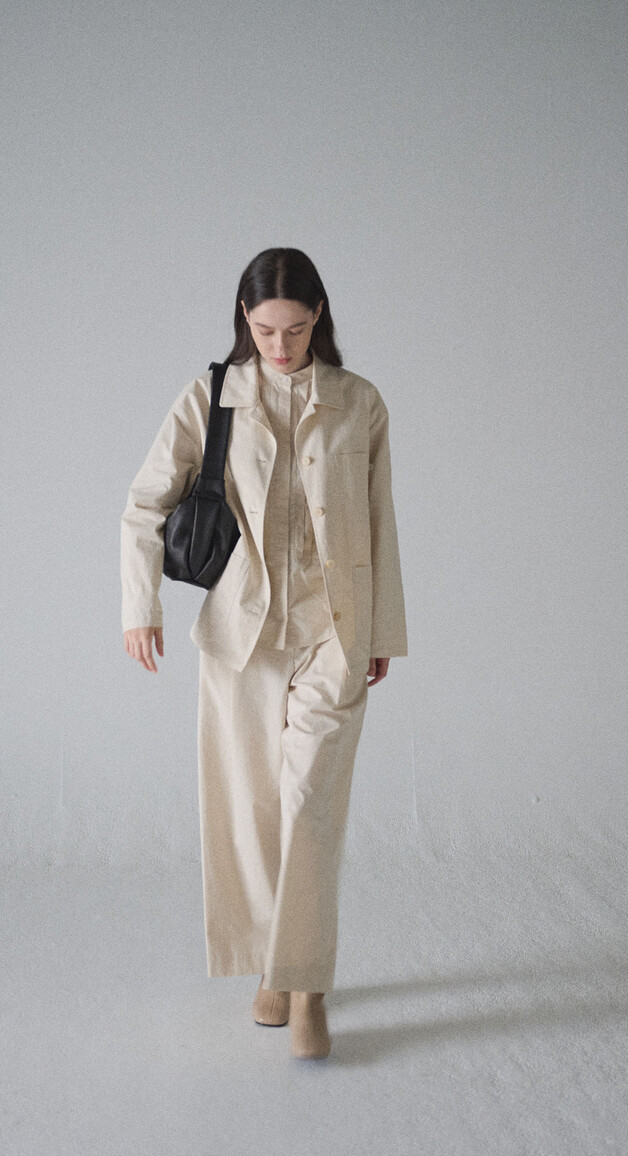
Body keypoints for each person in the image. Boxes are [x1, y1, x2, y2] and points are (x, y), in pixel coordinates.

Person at [121, 247, 407, 1060]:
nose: (279, 345)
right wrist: (139, 607)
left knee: (311, 805)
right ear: (244, 320)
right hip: (240, 639)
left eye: (295, 328)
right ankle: (271, 968)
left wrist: (383, 632)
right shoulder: (212, 395)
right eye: (264, 329)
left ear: (319, 317)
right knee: (250, 811)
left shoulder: (360, 402)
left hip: (334, 633)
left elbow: (381, 518)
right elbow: (143, 503)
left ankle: (305, 988)